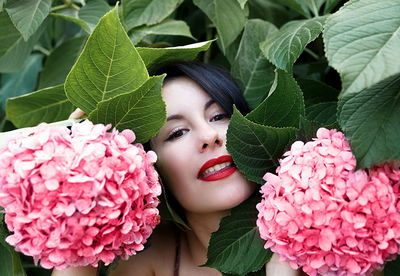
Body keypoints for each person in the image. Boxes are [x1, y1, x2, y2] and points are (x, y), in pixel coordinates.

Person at [52, 61, 300, 276]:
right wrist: (82, 169)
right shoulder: (151, 261)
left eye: (218, 116)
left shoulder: (320, 243)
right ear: (148, 169)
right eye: (177, 133)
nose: (208, 135)